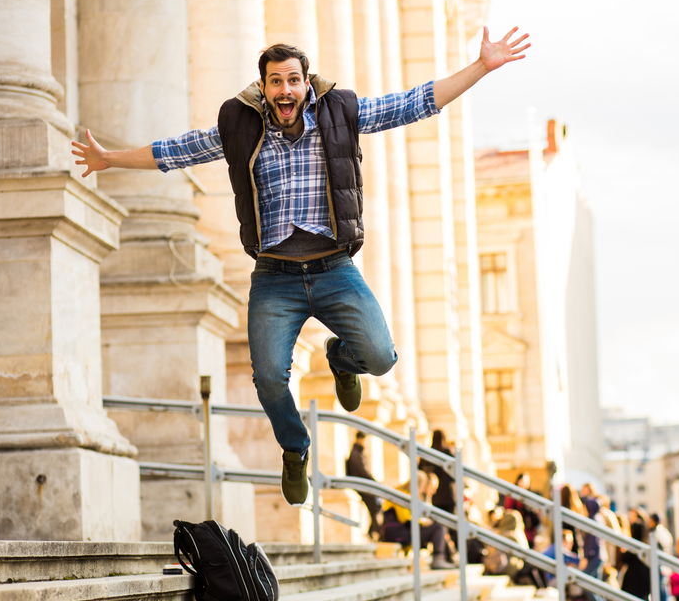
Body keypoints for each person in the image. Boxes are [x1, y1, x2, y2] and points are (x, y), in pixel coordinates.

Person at [71, 28, 530, 507]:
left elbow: (413, 103)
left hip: (333, 269)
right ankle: (295, 447)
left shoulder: (340, 113)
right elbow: (177, 150)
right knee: (269, 377)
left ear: (307, 84)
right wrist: (110, 160)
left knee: (380, 357)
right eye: (275, 82)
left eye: (293, 80)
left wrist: (481, 67)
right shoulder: (240, 125)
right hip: (275, 278)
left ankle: (340, 358)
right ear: (263, 88)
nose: (285, 90)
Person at [378, 471, 454, 570]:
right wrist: (423, 522)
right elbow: (405, 518)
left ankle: (445, 558)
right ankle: (438, 559)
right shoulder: (402, 495)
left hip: (400, 531)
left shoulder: (405, 494)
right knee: (438, 528)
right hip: (398, 533)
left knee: (438, 527)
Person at [619, 507, 653, 601]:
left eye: (631, 515)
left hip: (636, 572)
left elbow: (632, 550)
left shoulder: (636, 526)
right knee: (642, 598)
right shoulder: (645, 529)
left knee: (632, 597)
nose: (629, 517)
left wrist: (624, 554)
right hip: (642, 570)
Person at [344, 431, 382, 539]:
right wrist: (373, 481)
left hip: (364, 484)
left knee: (376, 503)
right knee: (375, 504)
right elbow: (361, 471)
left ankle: (374, 530)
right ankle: (375, 531)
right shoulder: (355, 453)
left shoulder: (359, 453)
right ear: (360, 439)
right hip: (360, 485)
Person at [503, 473, 541, 547]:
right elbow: (509, 510)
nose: (524, 484)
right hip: (517, 528)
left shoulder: (531, 496)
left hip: (529, 529)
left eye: (526, 481)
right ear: (518, 481)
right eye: (522, 481)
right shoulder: (512, 496)